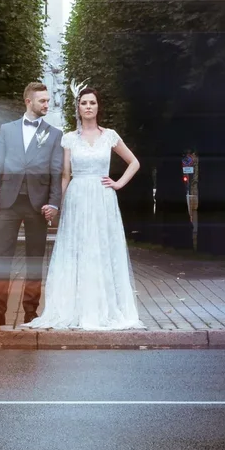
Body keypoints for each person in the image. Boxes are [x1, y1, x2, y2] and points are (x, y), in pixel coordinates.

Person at [25, 87, 143, 330]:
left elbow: (134, 162)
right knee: (77, 250)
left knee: (101, 249)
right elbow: (66, 176)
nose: (88, 106)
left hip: (102, 198)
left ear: (98, 107)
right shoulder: (69, 139)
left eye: (92, 102)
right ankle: (74, 307)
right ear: (78, 108)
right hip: (77, 198)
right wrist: (56, 203)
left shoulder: (110, 135)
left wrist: (118, 183)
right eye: (84, 103)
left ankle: (103, 307)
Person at [0, 82, 63, 327]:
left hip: (38, 205)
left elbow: (56, 172)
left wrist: (54, 204)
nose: (47, 104)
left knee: (35, 259)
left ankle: (30, 311)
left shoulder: (54, 134)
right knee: (1, 258)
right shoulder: (7, 130)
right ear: (29, 101)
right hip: (8, 201)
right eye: (43, 101)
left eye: (48, 100)